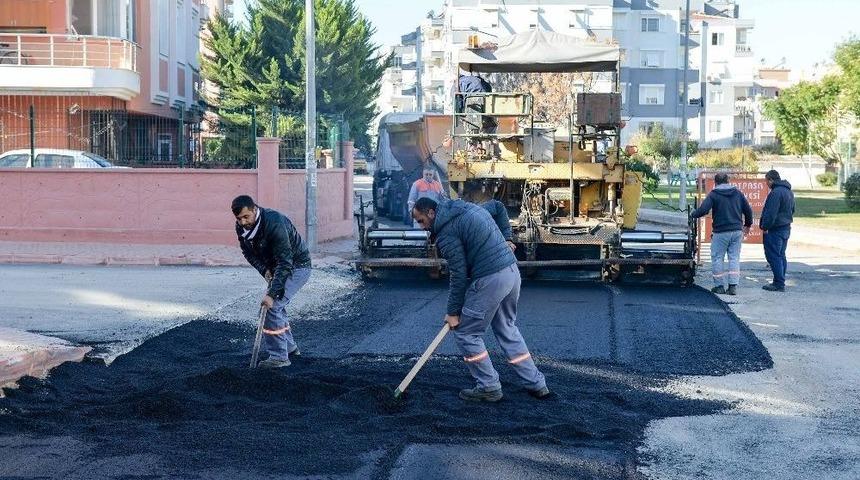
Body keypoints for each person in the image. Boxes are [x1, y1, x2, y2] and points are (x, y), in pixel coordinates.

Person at [411, 197, 550, 402]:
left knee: (466, 334)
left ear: (431, 213)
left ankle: (488, 386)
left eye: (421, 220)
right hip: (511, 272)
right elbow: (498, 206)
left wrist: (452, 312)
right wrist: (507, 239)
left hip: (491, 278)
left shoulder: (446, 234)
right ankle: (537, 384)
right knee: (507, 329)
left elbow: (458, 275)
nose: (421, 227)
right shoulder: (466, 206)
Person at [232, 195, 312, 368]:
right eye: (239, 219)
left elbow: (285, 262)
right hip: (276, 268)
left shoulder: (274, 223)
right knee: (275, 306)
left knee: (271, 307)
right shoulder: (242, 228)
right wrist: (264, 270)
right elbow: (249, 253)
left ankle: (279, 357)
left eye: (246, 217)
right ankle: (289, 348)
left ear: (254, 209)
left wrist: (271, 294)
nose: (243, 222)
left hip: (297, 266)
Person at [691, 172, 753, 295]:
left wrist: (693, 214)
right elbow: (748, 210)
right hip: (736, 231)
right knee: (734, 257)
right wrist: (747, 225)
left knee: (717, 258)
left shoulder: (714, 194)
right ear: (728, 180)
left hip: (721, 231)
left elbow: (703, 210)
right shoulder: (737, 193)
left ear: (715, 182)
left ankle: (719, 286)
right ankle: (732, 286)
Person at [759, 170, 795, 292]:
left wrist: (765, 226)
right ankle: (781, 279)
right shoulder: (789, 191)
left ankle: (778, 283)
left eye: (766, 181)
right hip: (786, 227)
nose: (766, 184)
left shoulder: (775, 193)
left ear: (770, 180)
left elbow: (771, 213)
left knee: (773, 256)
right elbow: (792, 209)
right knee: (781, 255)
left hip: (775, 229)